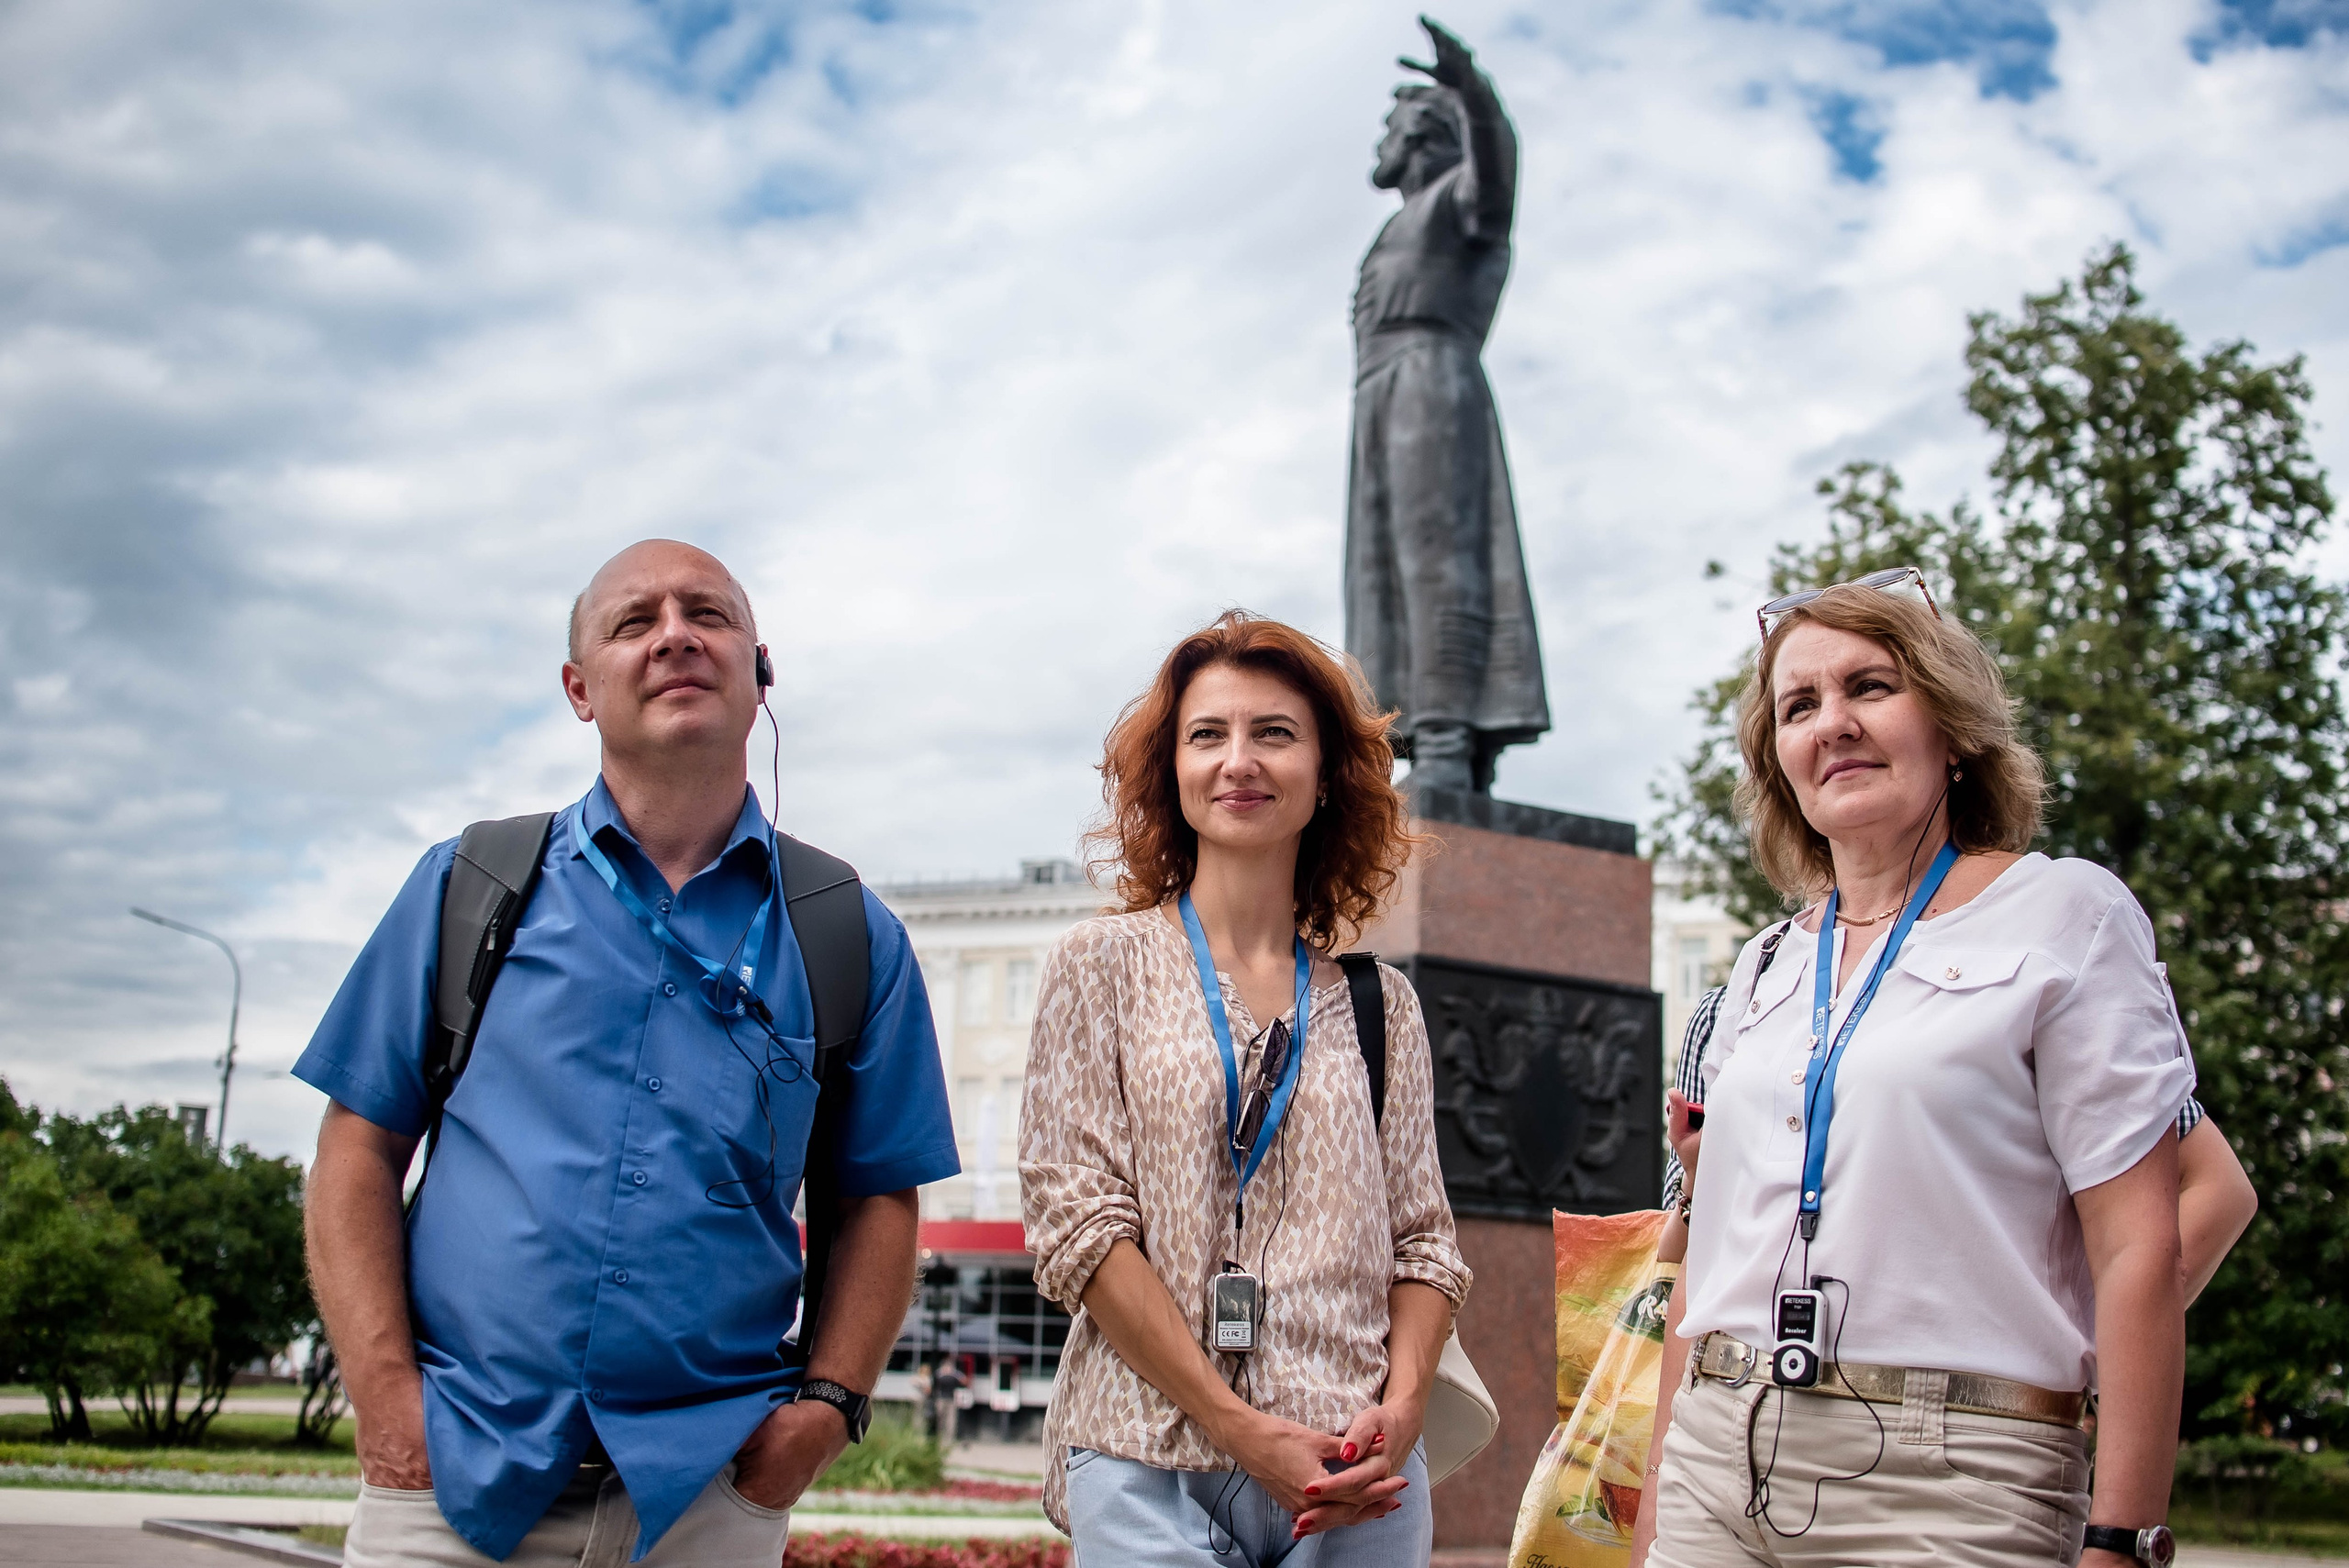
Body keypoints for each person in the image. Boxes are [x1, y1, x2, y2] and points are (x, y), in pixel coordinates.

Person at [299, 540, 960, 1567]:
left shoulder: (845, 930)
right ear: (578, 689)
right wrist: (386, 1395)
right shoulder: (471, 884)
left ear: (759, 669)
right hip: (453, 1480)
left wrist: (824, 1409)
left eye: (707, 612)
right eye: (631, 621)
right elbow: (358, 1143)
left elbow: (874, 1197)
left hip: (705, 1498)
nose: (674, 635)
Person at [1639, 569, 2203, 1568]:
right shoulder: (1766, 966)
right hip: (1714, 1459)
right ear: (1780, 762)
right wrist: (1656, 1518)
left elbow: (2138, 1250)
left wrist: (2119, 1538)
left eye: (1870, 686)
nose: (1833, 723)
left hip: (1952, 1479)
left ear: (1950, 726)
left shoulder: (2065, 912)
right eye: (1798, 706)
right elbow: (1708, 1269)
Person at [1019, 609, 1470, 1565]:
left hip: (1356, 1472)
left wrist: (1400, 1406)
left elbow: (1424, 1242)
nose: (1239, 760)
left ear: (1325, 772)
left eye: (1274, 732)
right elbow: (1080, 1225)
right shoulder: (1099, 965)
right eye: (1207, 734)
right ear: (1171, 770)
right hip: (1147, 1455)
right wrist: (1237, 1424)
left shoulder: (1380, 1003)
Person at [1630, 988, 2259, 1564]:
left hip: (1938, 1460)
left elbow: (2217, 1188)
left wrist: (2087, 1358)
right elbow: (1687, 1262)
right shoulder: (1738, 1001)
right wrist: (1697, 1183)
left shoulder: (2005, 983)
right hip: (1729, 1438)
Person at [1342, 17, 1549, 794]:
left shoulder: (1461, 205)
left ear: (1430, 133)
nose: (1380, 145)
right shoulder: (1398, 224)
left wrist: (1473, 92)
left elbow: (1498, 171)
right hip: (1380, 392)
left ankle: (1451, 737)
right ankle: (1402, 732)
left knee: (1439, 561)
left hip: (1433, 379)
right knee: (1381, 572)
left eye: (1392, 128)